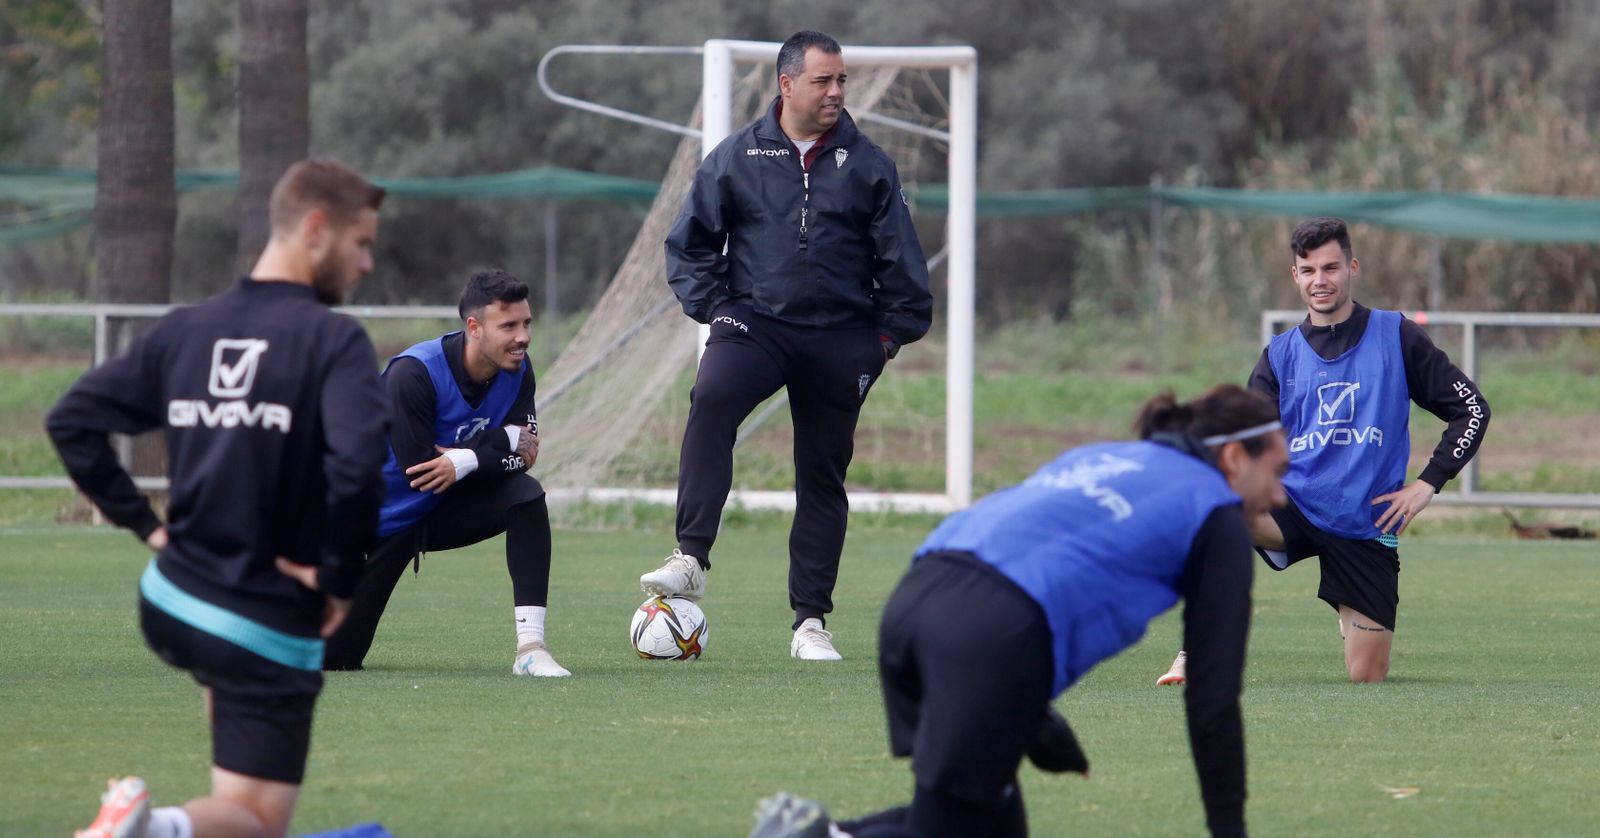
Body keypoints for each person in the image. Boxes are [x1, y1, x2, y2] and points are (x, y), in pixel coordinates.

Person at [748, 385, 1289, 838]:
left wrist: (1031, 718)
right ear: (1236, 458)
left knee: (980, 823)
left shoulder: (1104, 455)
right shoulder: (1215, 510)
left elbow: (1027, 560)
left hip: (918, 599)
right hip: (990, 639)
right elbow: (1213, 699)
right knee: (952, 829)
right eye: (1277, 471)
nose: (1282, 496)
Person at [49, 160, 388, 838]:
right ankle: (144, 830)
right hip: (260, 614)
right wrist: (337, 580)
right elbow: (357, 469)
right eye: (361, 242)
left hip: (171, 599)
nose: (368, 263)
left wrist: (146, 528)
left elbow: (71, 421)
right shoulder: (333, 340)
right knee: (258, 821)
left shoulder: (188, 329)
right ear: (315, 229)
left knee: (235, 792)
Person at [642, 29, 934, 660]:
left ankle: (810, 624)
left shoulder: (870, 165)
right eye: (823, 80)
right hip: (755, 326)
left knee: (822, 475)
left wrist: (881, 342)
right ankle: (691, 556)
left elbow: (905, 271)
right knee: (712, 397)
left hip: (842, 341)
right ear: (787, 83)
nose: (836, 91)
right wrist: (716, 310)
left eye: (841, 81)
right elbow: (689, 246)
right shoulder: (735, 158)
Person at [1156, 217, 1490, 687]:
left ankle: (1347, 606)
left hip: (1366, 522)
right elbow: (1244, 441)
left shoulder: (1397, 336)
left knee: (1366, 676)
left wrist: (1427, 484)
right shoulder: (1278, 356)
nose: (1320, 280)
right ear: (1295, 276)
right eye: (1308, 270)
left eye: (1331, 268)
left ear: (1352, 267)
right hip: (1293, 505)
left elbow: (1472, 409)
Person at [321, 269, 570, 677]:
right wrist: (501, 440)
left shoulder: (519, 371)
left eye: (526, 323)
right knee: (335, 660)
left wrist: (466, 459)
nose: (523, 336)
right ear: (474, 327)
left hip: (437, 511)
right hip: (371, 524)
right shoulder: (413, 374)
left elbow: (525, 456)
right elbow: (421, 473)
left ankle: (531, 647)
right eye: (508, 326)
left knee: (525, 495)